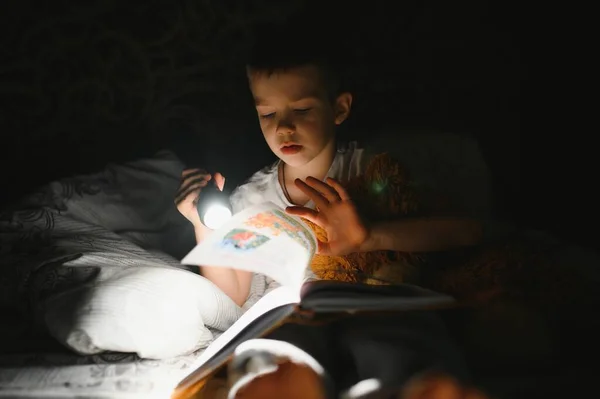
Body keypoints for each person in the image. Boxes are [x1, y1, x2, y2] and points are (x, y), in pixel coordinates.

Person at [175, 22, 485, 306]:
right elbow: (233, 294)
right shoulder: (251, 201)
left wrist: (369, 237)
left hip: (379, 312)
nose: (284, 128)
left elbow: (466, 231)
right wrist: (201, 224)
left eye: (301, 110)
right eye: (268, 114)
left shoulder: (372, 168)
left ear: (338, 109)